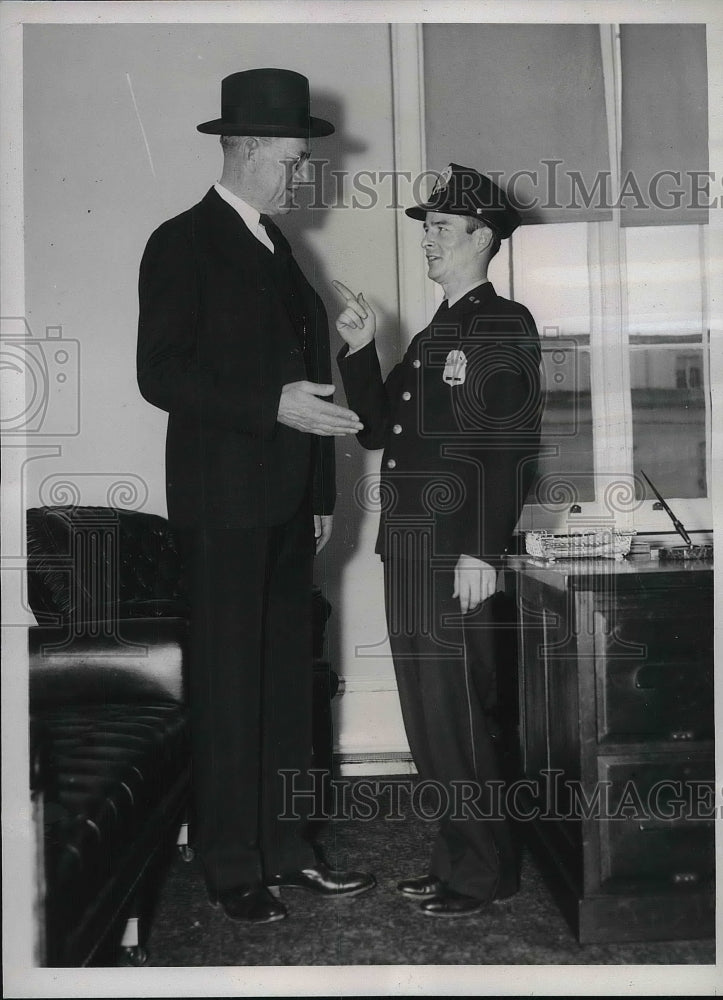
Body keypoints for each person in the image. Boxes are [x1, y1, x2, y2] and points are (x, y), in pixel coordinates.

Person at [137, 68, 375, 925]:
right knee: (230, 684)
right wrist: (268, 405)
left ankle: (289, 849)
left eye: (302, 162)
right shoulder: (181, 241)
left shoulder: (279, 248)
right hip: (222, 506)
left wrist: (319, 492)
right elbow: (159, 374)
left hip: (285, 507)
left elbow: (310, 383)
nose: (300, 177)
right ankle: (231, 863)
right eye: (290, 160)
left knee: (284, 683)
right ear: (240, 149)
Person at [334, 163, 542, 916]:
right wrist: (360, 349)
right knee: (428, 713)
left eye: (442, 228)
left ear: (482, 239)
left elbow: (509, 445)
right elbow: (374, 429)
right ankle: (458, 857)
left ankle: (484, 871)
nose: (428, 239)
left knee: (458, 710)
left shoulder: (502, 323)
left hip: (455, 549)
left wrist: (483, 549)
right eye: (426, 228)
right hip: (410, 545)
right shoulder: (434, 332)